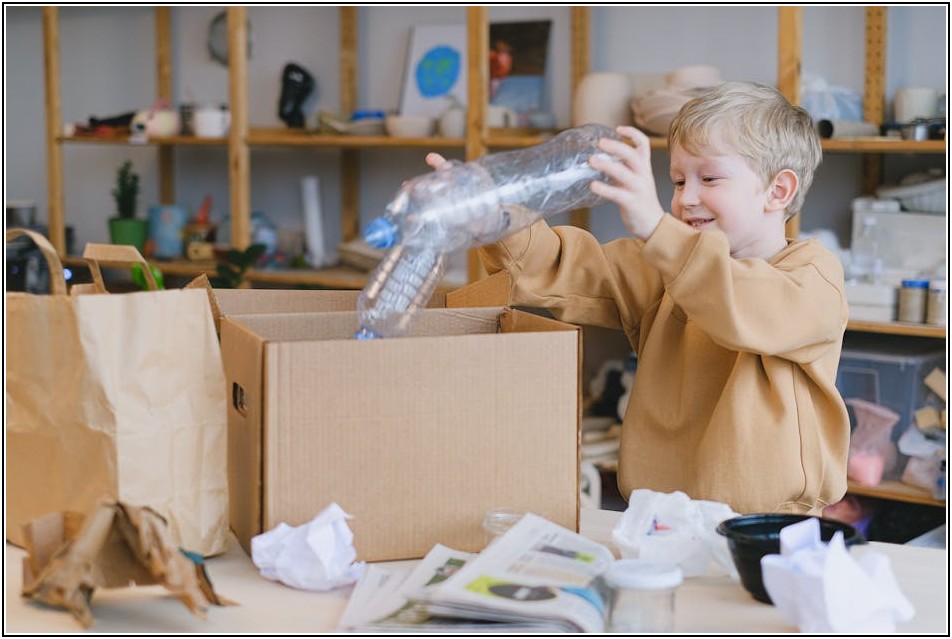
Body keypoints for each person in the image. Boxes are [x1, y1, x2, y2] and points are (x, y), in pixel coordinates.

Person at [426, 80, 850, 515]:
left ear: (777, 191)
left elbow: (743, 304)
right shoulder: (661, 266)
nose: (686, 198)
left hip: (769, 527)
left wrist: (656, 229)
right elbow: (556, 266)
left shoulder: (813, 276)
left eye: (709, 178)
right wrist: (495, 220)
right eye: (678, 180)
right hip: (657, 518)